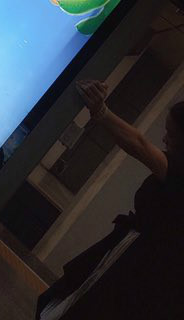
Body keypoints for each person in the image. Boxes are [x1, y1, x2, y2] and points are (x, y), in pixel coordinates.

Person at [36, 80, 184, 320]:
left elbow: (138, 143)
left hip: (139, 268)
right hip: (141, 265)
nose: (165, 139)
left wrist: (101, 111)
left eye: (172, 134)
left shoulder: (178, 171)